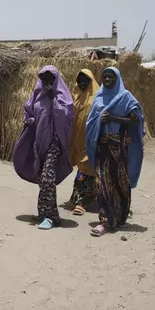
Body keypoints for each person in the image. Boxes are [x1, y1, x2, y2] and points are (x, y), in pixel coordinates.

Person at [12, 65, 74, 230]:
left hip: (55, 143)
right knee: (45, 180)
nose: (47, 81)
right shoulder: (37, 96)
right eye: (44, 78)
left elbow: (67, 114)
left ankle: (47, 216)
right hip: (39, 143)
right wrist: (29, 120)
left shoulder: (62, 97)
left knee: (47, 179)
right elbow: (29, 111)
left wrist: (54, 97)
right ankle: (50, 214)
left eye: (50, 78)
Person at [85, 67, 144, 237]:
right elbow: (91, 121)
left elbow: (135, 119)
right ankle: (106, 221)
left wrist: (112, 118)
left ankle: (120, 216)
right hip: (101, 147)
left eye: (111, 76)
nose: (107, 79)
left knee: (120, 184)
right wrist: (100, 122)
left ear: (117, 78)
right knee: (102, 184)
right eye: (105, 76)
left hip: (119, 149)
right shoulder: (99, 97)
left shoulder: (125, 97)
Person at [67, 69, 100, 216]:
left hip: (92, 140)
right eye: (80, 79)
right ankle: (82, 199)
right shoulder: (76, 96)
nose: (82, 83)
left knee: (86, 170)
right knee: (85, 169)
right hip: (77, 140)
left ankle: (81, 202)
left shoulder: (97, 98)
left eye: (85, 80)